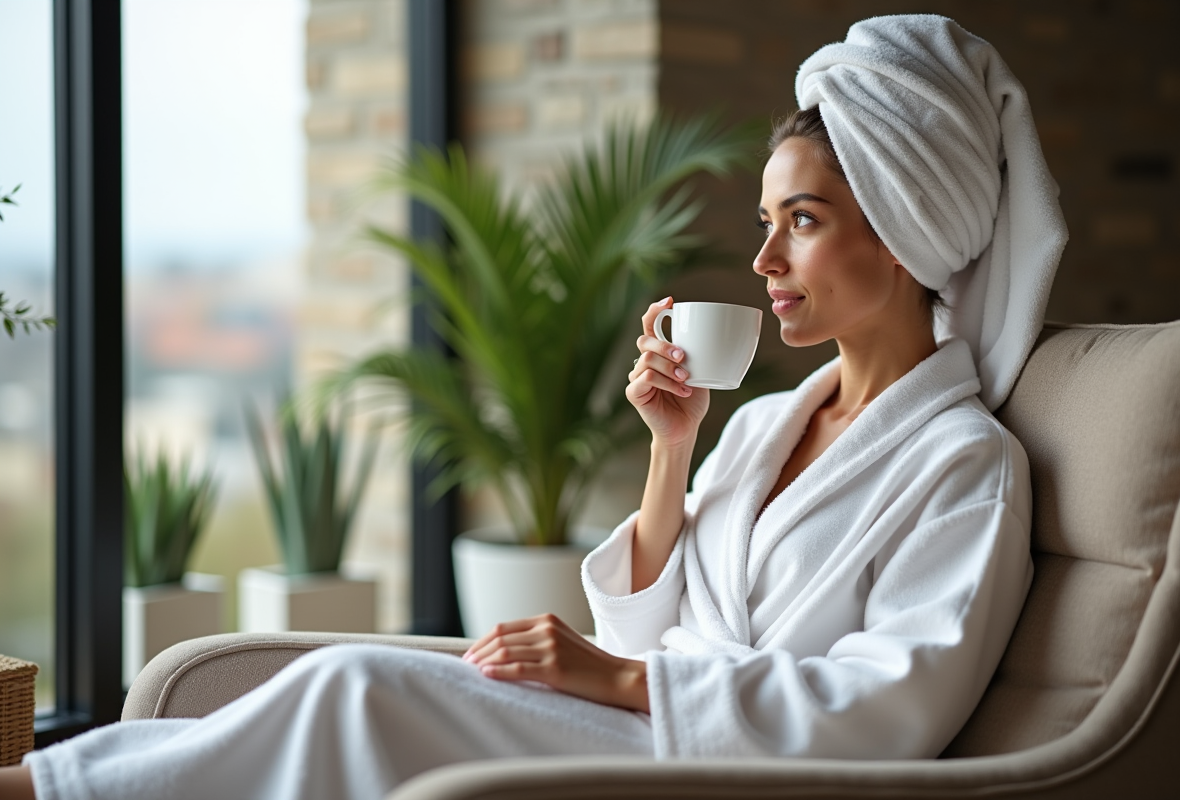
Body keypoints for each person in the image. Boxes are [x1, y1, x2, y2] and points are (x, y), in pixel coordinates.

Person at [0, 14, 1067, 800]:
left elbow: (889, 712)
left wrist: (609, 673)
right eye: (766, 219)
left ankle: (47, 790)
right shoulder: (760, 425)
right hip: (653, 731)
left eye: (801, 220)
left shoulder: (965, 465)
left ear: (904, 234)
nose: (763, 257)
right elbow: (649, 625)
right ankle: (48, 784)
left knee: (359, 689)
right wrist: (670, 451)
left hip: (725, 771)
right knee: (345, 679)